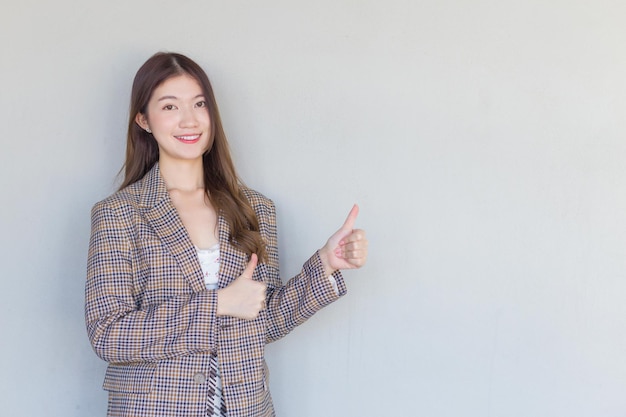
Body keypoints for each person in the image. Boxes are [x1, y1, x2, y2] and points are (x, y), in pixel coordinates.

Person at [85, 52, 368, 417]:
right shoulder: (118, 214)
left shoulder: (255, 208)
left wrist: (327, 264)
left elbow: (263, 319)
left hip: (247, 407)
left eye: (199, 104)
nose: (189, 120)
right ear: (143, 120)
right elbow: (108, 334)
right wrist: (218, 304)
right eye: (170, 107)